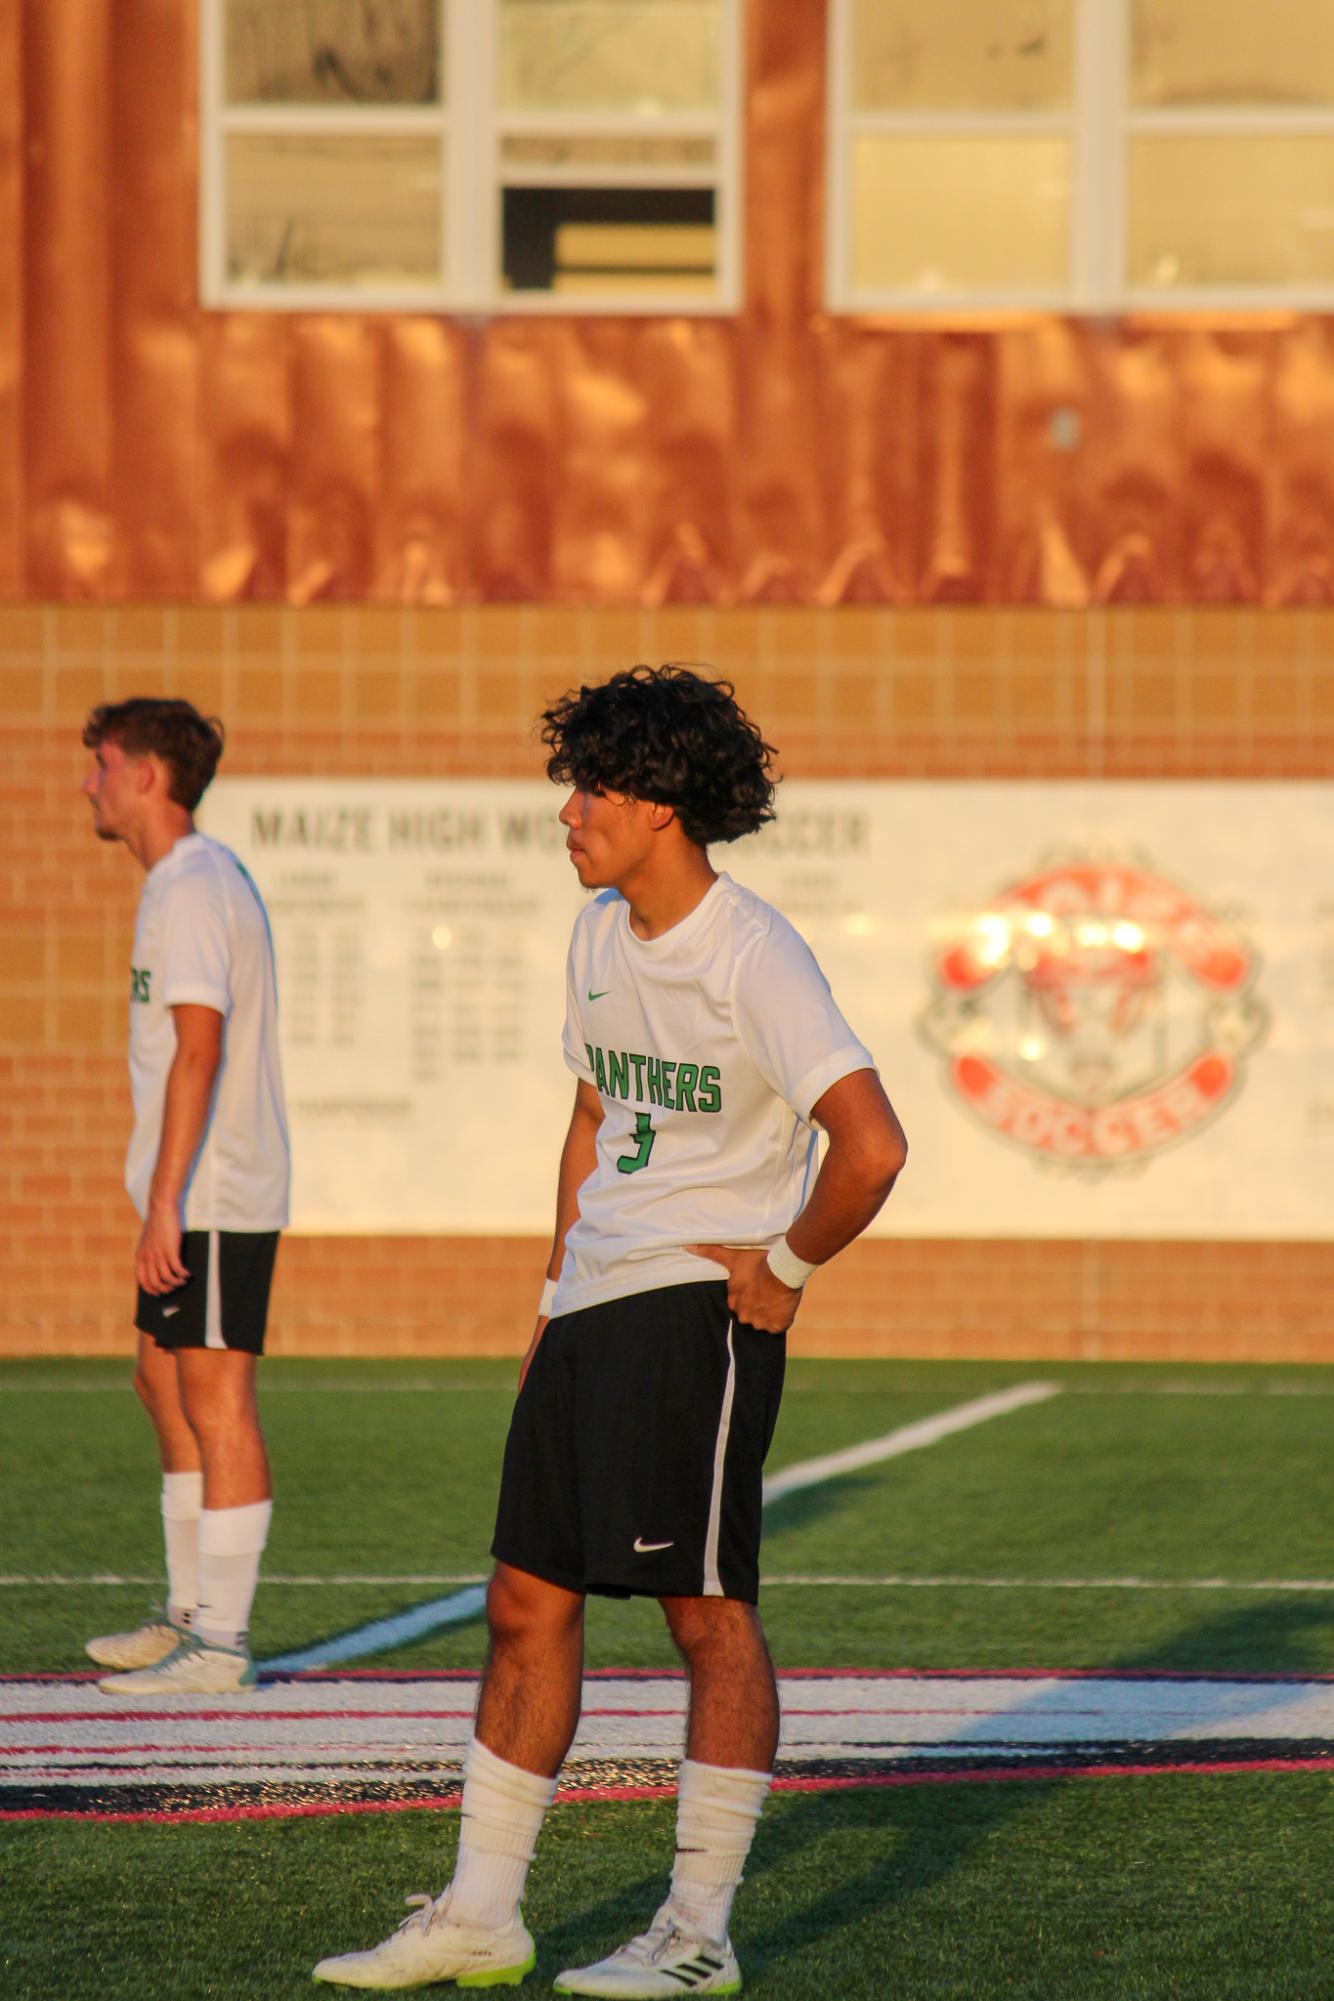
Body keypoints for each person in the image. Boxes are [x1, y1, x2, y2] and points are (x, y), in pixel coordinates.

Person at [314, 665, 907, 1996]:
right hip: (589, 1306)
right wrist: (545, 1297)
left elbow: (870, 1146)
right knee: (525, 1601)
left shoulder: (754, 953)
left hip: (693, 1319)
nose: (567, 809)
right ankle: (480, 1914)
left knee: (705, 1616)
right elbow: (591, 1119)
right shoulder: (594, 932)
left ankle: (694, 1933)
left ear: (657, 803)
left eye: (591, 785)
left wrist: (788, 1265)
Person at [79, 697, 290, 1696]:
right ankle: (185, 1618)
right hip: (186, 1188)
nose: (90, 782)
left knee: (214, 1396)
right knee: (159, 1383)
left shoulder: (194, 887)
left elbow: (198, 1048)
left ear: (147, 777)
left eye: (103, 764)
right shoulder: (177, 884)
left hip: (213, 1190)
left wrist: (165, 1202)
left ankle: (222, 1643)